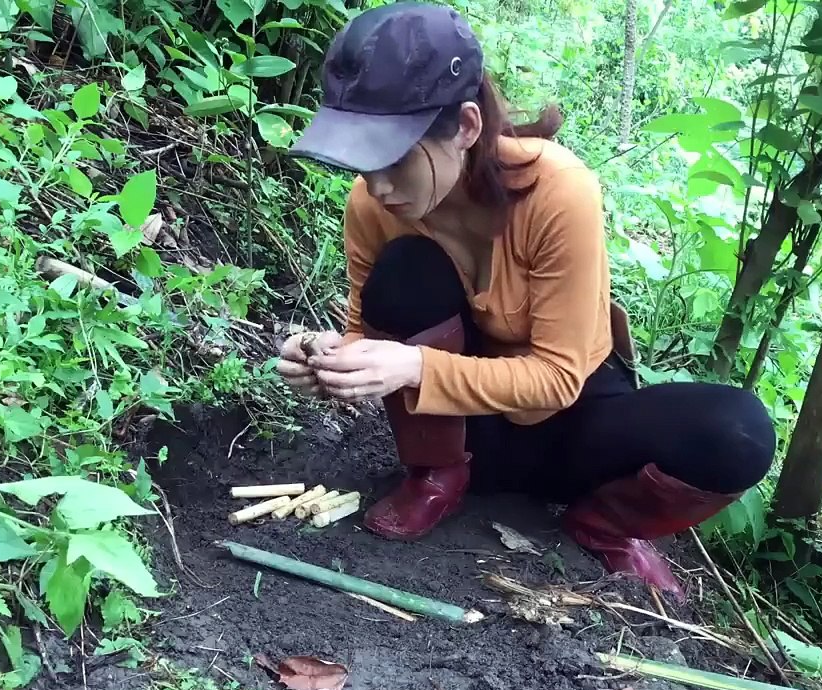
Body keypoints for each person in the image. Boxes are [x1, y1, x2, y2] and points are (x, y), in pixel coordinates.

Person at [274, 1, 776, 595]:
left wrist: (411, 365)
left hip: (577, 427)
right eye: (361, 159)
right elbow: (370, 330)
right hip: (466, 431)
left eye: (394, 157)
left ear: (465, 127)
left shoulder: (558, 192)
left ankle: (605, 524)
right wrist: (333, 362)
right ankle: (436, 477)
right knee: (405, 269)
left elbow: (559, 379)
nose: (377, 185)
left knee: (738, 431)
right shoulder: (374, 207)